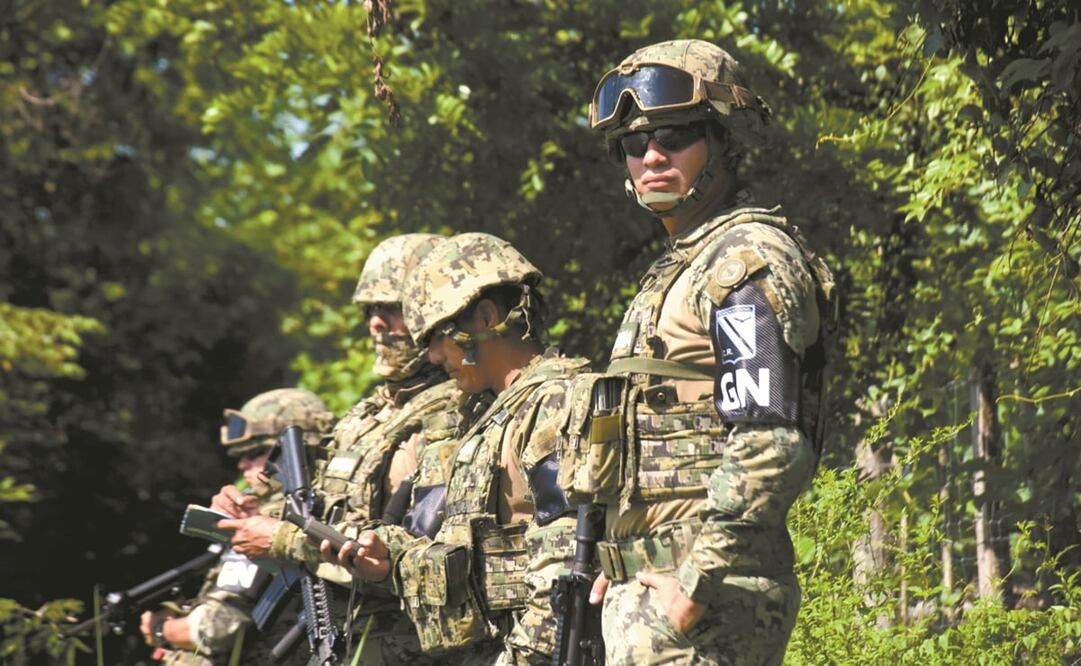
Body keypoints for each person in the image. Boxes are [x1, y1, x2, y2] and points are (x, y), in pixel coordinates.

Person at [583, 39, 836, 665]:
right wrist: (618, 558)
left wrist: (696, 586)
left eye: (675, 134)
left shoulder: (740, 260)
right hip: (652, 600)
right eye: (635, 144)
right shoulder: (680, 269)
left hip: (704, 608)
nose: (652, 155)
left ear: (723, 140)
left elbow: (769, 444)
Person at [324, 232, 590, 665]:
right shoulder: (484, 417)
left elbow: (564, 583)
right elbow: (449, 547)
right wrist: (387, 556)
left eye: (436, 336)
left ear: (486, 318)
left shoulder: (556, 405)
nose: (429, 355)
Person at [212, 233, 465, 664]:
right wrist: (258, 518)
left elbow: (415, 554)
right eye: (370, 310)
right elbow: (329, 515)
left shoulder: (455, 415)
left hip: (410, 648)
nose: (376, 323)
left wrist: (283, 539)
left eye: (391, 307)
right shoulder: (363, 417)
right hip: (347, 641)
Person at [139, 388, 334, 665]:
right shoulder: (324, 510)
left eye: (256, 451)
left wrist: (161, 629)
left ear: (300, 448)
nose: (243, 463)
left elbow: (219, 626)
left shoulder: (270, 521)